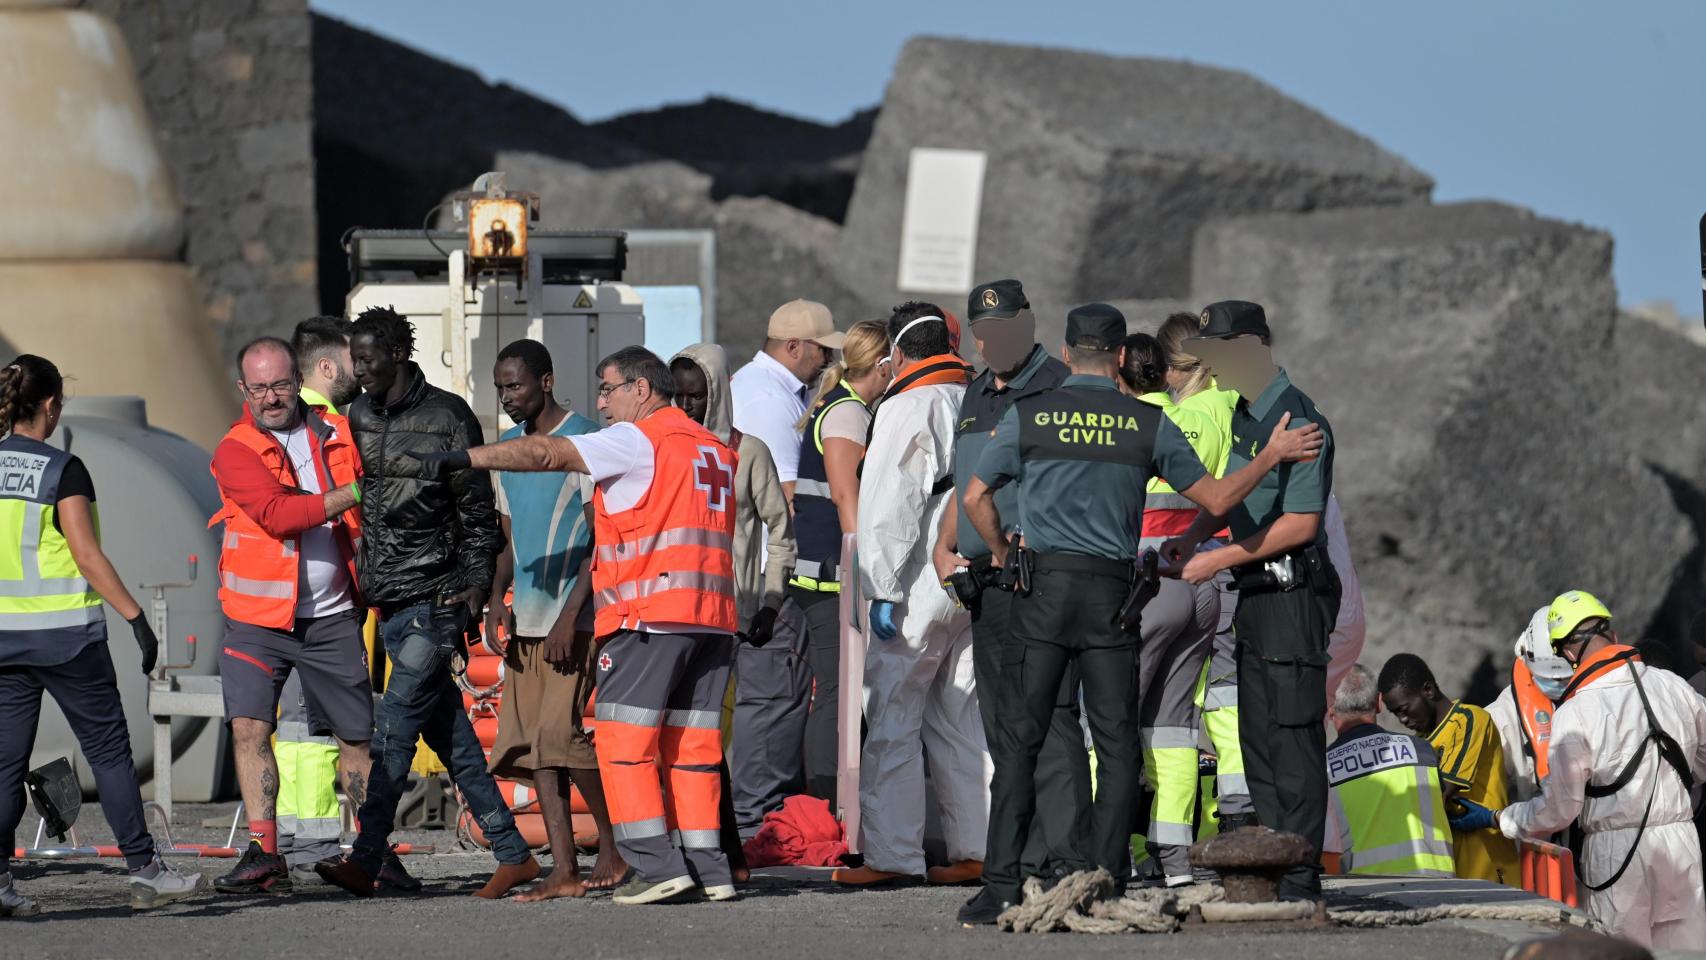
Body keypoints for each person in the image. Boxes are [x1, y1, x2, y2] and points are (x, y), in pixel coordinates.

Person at [960, 304, 1324, 923]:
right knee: (1119, 742)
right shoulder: (1145, 422)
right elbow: (1214, 496)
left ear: (1069, 354)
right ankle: (1106, 877)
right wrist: (1271, 456)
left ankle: (999, 885)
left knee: (1022, 741)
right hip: (1111, 599)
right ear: (1123, 358)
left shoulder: (1029, 414)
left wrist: (1001, 553)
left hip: (1042, 593)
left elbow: (975, 496)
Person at [414, 346, 740, 906]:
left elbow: (545, 454)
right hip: (711, 621)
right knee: (692, 751)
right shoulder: (710, 446)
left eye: (609, 389)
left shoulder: (639, 438)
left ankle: (655, 866)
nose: (601, 402)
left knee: (624, 745)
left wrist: (464, 459)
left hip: (649, 617)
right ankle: (711, 869)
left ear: (642, 389)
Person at [315, 307, 538, 900]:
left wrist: (474, 587)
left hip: (436, 599)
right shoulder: (358, 415)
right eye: (353, 358)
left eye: (367, 358)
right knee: (454, 742)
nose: (357, 370)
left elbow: (477, 515)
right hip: (387, 600)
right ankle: (514, 854)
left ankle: (365, 858)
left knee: (393, 731)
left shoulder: (447, 415)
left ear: (396, 354)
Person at [0, 355, 204, 915]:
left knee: (5, 764)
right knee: (110, 752)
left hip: (4, 640)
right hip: (66, 637)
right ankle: (144, 872)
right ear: (48, 407)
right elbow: (87, 555)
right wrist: (136, 619)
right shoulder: (63, 469)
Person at [1160, 300, 1342, 902]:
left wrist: (1215, 559)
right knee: (1259, 733)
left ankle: (1299, 874)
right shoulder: (1244, 414)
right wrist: (1184, 543)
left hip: (1292, 592)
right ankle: (1272, 861)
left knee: (1291, 736)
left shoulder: (1298, 417)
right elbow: (1226, 499)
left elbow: (1300, 525)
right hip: (1258, 594)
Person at [208, 337, 377, 897]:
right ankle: (264, 852)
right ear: (243, 390)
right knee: (251, 729)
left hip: (332, 616)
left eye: (280, 384)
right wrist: (358, 491)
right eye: (258, 388)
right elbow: (281, 515)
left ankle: (371, 851)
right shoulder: (235, 450)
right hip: (258, 622)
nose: (271, 397)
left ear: (295, 380)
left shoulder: (336, 432)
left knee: (356, 736)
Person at [933, 280, 1086, 887]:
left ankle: (1067, 854)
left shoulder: (1060, 389)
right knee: (1003, 723)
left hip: (1039, 576)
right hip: (985, 582)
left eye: (1007, 329)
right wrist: (944, 547)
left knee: (1050, 718)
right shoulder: (975, 392)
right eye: (985, 331)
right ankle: (1026, 854)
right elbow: (964, 480)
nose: (995, 340)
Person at [834, 302, 988, 888]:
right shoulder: (975, 398)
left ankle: (893, 854)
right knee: (961, 716)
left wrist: (879, 587)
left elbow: (888, 508)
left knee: (894, 712)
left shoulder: (906, 404)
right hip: (968, 578)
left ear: (897, 355)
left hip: (917, 582)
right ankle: (977, 847)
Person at [1479, 591, 1706, 949]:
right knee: (1687, 951)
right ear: (1612, 635)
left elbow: (1559, 810)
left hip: (1616, 852)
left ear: (1568, 652)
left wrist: (1501, 819)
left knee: (1617, 952)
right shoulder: (1673, 685)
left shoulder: (1575, 713)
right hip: (1681, 844)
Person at [482, 339, 620, 899]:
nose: (507, 397)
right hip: (527, 618)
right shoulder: (508, 452)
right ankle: (563, 870)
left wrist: (570, 617)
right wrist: (498, 601)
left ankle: (615, 848)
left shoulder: (589, 441)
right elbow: (510, 539)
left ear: (545, 381)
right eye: (499, 388)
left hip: (575, 618)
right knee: (532, 745)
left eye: (514, 385)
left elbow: (602, 540)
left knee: (560, 735)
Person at [668, 344, 798, 839]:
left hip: (735, 619)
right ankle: (700, 835)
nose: (687, 406)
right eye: (678, 396)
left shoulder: (749, 454)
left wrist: (770, 601)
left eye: (697, 395)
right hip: (678, 612)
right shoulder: (667, 450)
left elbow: (781, 531)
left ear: (718, 392)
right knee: (687, 730)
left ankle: (726, 841)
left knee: (723, 732)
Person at [1115, 332, 1222, 886]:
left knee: (1108, 724)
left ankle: (1106, 851)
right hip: (1198, 580)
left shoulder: (1124, 428)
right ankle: (1176, 861)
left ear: (1119, 374)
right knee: (1173, 730)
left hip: (1144, 584)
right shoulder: (1192, 422)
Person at [1153, 313, 1252, 833]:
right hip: (1230, 568)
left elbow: (1163, 503)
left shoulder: (1189, 418)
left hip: (1193, 568)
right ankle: (1239, 806)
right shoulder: (1236, 405)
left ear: (1173, 368)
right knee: (1227, 692)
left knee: (1182, 700)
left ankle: (1174, 829)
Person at [272, 315, 360, 882]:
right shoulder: (328, 427)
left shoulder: (265, 424)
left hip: (277, 604)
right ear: (326, 367)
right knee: (325, 728)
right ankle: (320, 842)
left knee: (293, 728)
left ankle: (295, 836)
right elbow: (348, 506)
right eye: (355, 359)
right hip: (322, 603)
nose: (364, 369)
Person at [790, 319, 891, 802]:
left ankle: (830, 795)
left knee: (834, 690)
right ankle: (828, 799)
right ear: (883, 364)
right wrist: (866, 571)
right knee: (836, 691)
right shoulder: (849, 413)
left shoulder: (838, 404)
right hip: (833, 576)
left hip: (823, 571)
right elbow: (846, 498)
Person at [1377, 653, 1520, 887]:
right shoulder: (1420, 744)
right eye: (1395, 714)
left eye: (1404, 709)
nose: (1402, 720)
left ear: (1429, 690)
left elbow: (1438, 792)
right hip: (1450, 870)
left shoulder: (1469, 719)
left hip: (1487, 867)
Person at [1322, 665, 1454, 877]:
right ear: (1379, 702)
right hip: (1440, 885)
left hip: (1369, 896)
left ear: (1329, 709)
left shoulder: (1323, 770)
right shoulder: (1421, 750)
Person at [729, 299, 843, 500]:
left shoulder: (770, 386)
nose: (830, 359)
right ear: (793, 347)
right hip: (772, 532)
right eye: (824, 350)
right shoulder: (769, 399)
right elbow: (789, 494)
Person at [1486, 607, 1572, 804]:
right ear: (1524, 653)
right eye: (1548, 676)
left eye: (1565, 678)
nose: (1557, 682)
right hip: (1534, 830)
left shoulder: (1602, 699)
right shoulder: (1499, 720)